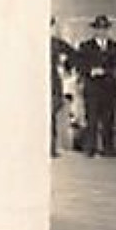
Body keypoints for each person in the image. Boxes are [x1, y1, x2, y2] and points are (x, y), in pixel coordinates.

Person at [74, 16, 116, 157]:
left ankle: (108, 148)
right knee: (92, 118)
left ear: (108, 30)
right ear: (94, 30)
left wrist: (107, 71)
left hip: (108, 87)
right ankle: (90, 148)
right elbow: (79, 64)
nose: (102, 31)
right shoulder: (85, 46)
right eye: (99, 28)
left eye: (104, 28)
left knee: (108, 119)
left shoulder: (114, 45)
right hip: (92, 87)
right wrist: (90, 71)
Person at [50, 19, 75, 157]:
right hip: (49, 81)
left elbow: (73, 54)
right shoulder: (55, 43)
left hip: (52, 82)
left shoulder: (56, 43)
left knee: (51, 114)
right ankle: (50, 148)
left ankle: (51, 147)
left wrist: (67, 67)